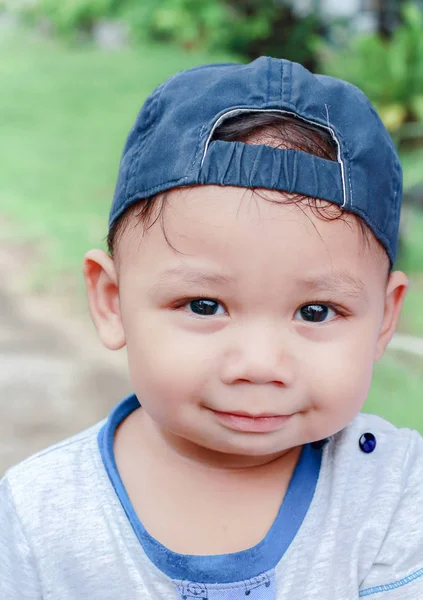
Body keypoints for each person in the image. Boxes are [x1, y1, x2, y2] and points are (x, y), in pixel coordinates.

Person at [1, 57, 422, 600]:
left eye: (315, 312)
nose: (258, 365)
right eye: (204, 305)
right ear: (112, 301)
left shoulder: (394, 494)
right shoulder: (40, 516)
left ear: (384, 319)